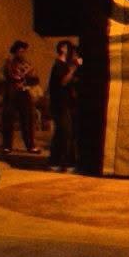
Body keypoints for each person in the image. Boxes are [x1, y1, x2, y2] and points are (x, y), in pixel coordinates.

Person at [1, 40, 41, 154]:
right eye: (20, 51)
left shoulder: (28, 64)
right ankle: (7, 146)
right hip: (11, 93)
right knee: (8, 120)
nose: (22, 53)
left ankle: (30, 145)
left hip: (24, 93)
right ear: (15, 51)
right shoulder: (9, 63)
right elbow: (10, 76)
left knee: (28, 120)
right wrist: (22, 76)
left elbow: (35, 79)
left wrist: (27, 79)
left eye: (24, 51)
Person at [48, 41, 80, 171]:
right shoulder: (58, 65)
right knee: (65, 133)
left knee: (64, 133)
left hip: (66, 103)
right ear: (62, 49)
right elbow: (63, 82)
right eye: (69, 48)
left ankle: (57, 162)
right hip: (60, 104)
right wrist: (74, 68)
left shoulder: (64, 65)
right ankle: (61, 162)